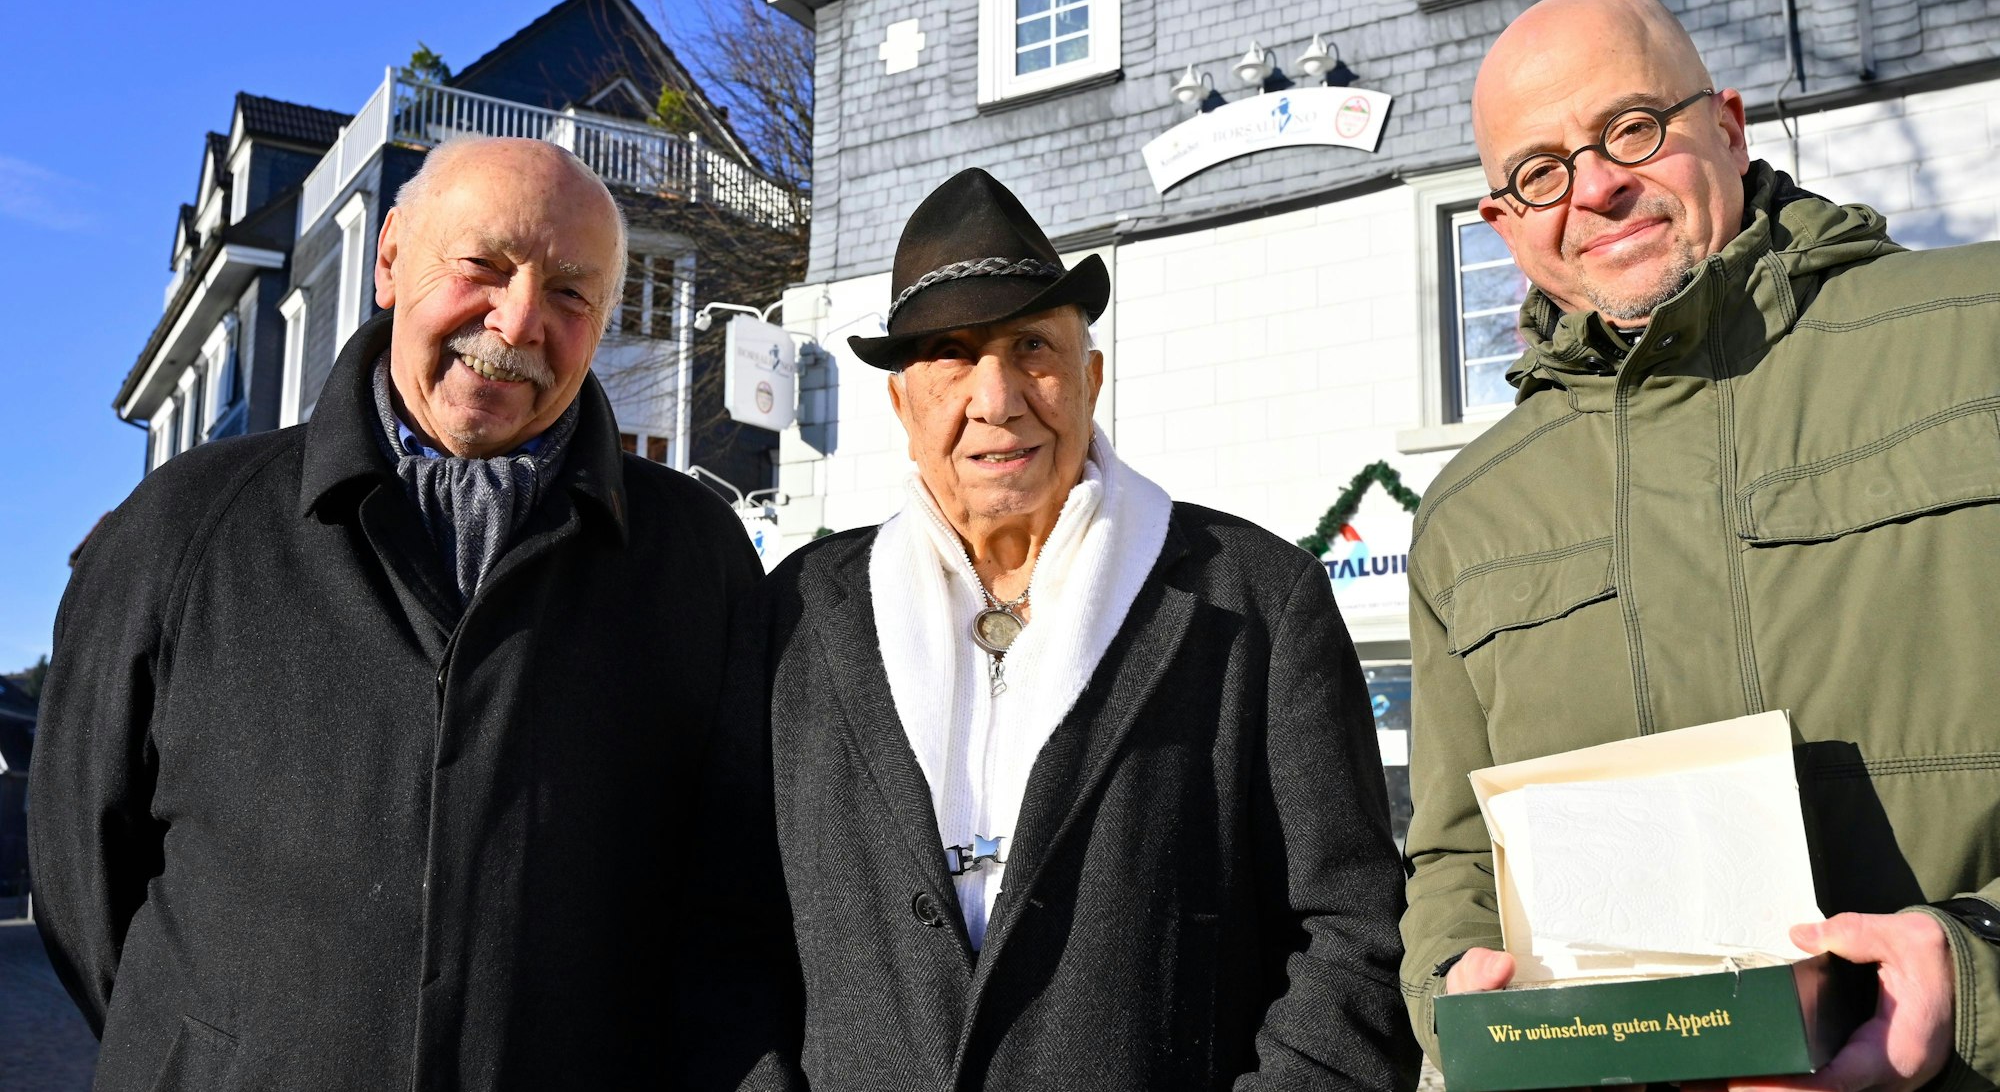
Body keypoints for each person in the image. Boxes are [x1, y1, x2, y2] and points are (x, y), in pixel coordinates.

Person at [30, 137, 762, 1089]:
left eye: (571, 293)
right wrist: (216, 1053)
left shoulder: (698, 557)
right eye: (483, 265)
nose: (519, 319)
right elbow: (83, 882)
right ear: (387, 262)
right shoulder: (184, 527)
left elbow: (733, 899)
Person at [680, 168, 1419, 1090]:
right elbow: (719, 934)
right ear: (902, 405)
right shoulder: (795, 613)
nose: (997, 398)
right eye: (951, 354)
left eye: (1032, 346)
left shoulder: (1258, 601)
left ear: (1089, 378)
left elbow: (1353, 934)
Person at [1400, 0, 2000, 1091]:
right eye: (1540, 172)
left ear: (1726, 128)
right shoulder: (1467, 516)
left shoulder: (1980, 338)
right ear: (1502, 224)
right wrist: (1459, 1002)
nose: (1594, 187)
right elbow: (1452, 862)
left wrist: (1979, 972)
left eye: (1631, 128)